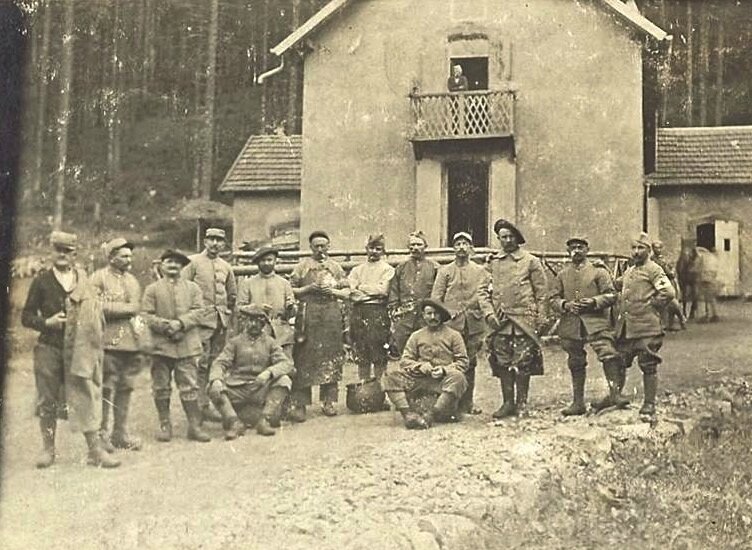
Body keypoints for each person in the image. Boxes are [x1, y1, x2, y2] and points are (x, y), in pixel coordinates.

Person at [22, 231, 120, 468]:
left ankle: (94, 451)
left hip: (79, 349)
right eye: (58, 250)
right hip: (50, 347)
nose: (62, 255)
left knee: (85, 393)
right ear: (51, 251)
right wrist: (47, 322)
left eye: (67, 251)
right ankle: (48, 450)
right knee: (48, 398)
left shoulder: (83, 280)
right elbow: (26, 316)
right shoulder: (42, 281)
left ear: (74, 254)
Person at [478, 219, 548, 419]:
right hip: (500, 322)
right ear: (499, 239)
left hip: (524, 321)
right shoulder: (493, 262)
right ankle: (507, 402)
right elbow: (482, 291)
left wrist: (541, 319)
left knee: (523, 362)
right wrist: (489, 314)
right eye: (503, 237)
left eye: (511, 237)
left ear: (517, 238)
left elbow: (542, 293)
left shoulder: (531, 261)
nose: (507, 240)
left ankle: (522, 403)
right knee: (502, 362)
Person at [550, 236, 624, 416]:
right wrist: (565, 305)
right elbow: (552, 299)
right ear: (568, 252)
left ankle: (615, 394)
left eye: (580, 247)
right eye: (573, 247)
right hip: (571, 323)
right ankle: (577, 403)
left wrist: (594, 301)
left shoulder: (598, 272)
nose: (576, 250)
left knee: (608, 353)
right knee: (575, 360)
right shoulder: (562, 275)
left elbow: (612, 295)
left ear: (587, 249)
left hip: (595, 321)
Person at [143, 249, 211, 443]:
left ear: (182, 267)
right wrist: (165, 326)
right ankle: (165, 425)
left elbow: (199, 311)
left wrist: (180, 324)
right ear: (161, 266)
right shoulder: (152, 289)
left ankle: (194, 426)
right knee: (161, 387)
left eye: (177, 263)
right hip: (160, 346)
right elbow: (145, 315)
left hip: (187, 344)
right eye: (168, 262)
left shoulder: (193, 288)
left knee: (189, 386)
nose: (173, 266)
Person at [89, 237, 144, 452]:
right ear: (111, 257)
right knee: (106, 388)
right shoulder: (98, 278)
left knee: (126, 387)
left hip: (130, 342)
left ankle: (120, 433)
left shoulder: (132, 280)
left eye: (130, 255)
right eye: (124, 256)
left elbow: (137, 307)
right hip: (107, 342)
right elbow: (94, 306)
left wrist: (124, 308)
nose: (129, 259)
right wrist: (126, 308)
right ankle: (101, 434)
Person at [613, 232, 675, 420]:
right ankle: (616, 397)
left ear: (648, 251)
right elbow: (620, 285)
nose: (636, 252)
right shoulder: (630, 270)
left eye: (641, 248)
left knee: (648, 364)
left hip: (647, 327)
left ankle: (649, 403)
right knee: (619, 361)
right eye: (634, 248)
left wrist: (652, 305)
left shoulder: (654, 269)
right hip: (627, 327)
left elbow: (668, 292)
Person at [208, 305, 295, 439]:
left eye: (258, 321)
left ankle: (264, 420)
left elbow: (286, 363)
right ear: (244, 322)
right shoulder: (235, 342)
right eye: (250, 321)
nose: (253, 324)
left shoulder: (270, 342)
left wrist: (269, 373)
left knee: (284, 380)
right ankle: (234, 422)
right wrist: (217, 379)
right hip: (238, 388)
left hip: (260, 388)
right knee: (213, 386)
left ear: (263, 324)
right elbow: (220, 362)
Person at [289, 231, 350, 421]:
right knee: (305, 357)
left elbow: (347, 291)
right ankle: (301, 403)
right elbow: (289, 289)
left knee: (331, 355)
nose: (320, 249)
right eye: (316, 246)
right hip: (308, 314)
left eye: (324, 245)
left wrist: (332, 290)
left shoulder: (336, 268)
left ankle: (328, 401)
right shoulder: (302, 267)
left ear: (329, 246)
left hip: (331, 315)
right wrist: (307, 289)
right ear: (310, 247)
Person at [382, 299, 469, 429]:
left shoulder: (454, 335)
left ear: (441, 315)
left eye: (436, 313)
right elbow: (405, 360)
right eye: (429, 313)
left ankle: (430, 416)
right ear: (423, 315)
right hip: (419, 381)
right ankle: (409, 415)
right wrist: (420, 366)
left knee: (459, 377)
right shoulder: (416, 336)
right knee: (390, 375)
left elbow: (463, 362)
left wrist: (444, 370)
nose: (432, 317)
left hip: (441, 382)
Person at [182, 227, 237, 423]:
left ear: (224, 244)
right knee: (199, 365)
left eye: (219, 240)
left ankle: (209, 405)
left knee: (216, 364)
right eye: (211, 239)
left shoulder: (226, 266)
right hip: (199, 323)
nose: (215, 244)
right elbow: (182, 289)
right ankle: (198, 408)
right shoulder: (193, 262)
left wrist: (227, 314)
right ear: (205, 241)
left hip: (220, 323)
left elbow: (232, 295)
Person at [430, 231, 488, 415]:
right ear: (453, 248)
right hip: (451, 325)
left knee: (470, 363)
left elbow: (486, 296)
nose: (461, 247)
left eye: (465, 244)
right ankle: (450, 403)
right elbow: (436, 298)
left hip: (473, 324)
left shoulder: (481, 271)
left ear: (471, 248)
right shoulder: (445, 271)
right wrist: (443, 317)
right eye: (458, 244)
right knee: (450, 362)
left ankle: (468, 403)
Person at [348, 233, 395, 382]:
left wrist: (362, 288)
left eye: (378, 249)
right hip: (359, 312)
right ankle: (365, 389)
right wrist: (370, 291)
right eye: (371, 248)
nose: (374, 251)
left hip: (378, 312)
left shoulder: (387, 269)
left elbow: (383, 291)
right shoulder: (357, 270)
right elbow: (352, 291)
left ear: (383, 251)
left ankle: (381, 390)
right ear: (366, 249)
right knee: (362, 352)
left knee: (379, 352)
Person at [236, 246, 296, 358]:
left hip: (281, 331)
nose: (266, 263)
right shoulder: (248, 283)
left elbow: (291, 313)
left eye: (270, 260)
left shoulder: (284, 283)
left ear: (275, 261)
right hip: (256, 329)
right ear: (258, 263)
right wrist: (257, 307)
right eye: (263, 261)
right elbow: (239, 308)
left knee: (285, 364)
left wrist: (290, 307)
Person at [388, 231, 439, 357]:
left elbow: (439, 292)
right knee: (404, 349)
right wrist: (395, 309)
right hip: (405, 316)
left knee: (425, 348)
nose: (415, 248)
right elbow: (394, 290)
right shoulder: (401, 267)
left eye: (419, 244)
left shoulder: (434, 267)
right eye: (412, 245)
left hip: (425, 316)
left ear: (425, 246)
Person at [651, 240, 686, 331]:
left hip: (667, 282)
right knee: (666, 304)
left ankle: (678, 320)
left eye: (659, 248)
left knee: (673, 302)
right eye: (655, 248)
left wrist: (671, 271)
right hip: (656, 282)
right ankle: (668, 323)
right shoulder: (652, 260)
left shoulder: (663, 259)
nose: (657, 250)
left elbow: (670, 271)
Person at [695, 246, 720, 323]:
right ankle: (715, 314)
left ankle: (704, 316)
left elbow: (697, 267)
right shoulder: (714, 258)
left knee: (702, 298)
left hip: (704, 278)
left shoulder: (702, 256)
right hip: (712, 278)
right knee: (711, 298)